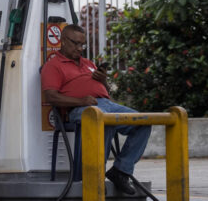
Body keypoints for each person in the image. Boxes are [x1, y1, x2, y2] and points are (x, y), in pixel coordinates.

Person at [41, 24, 151, 195]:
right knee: (102, 119)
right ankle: (94, 177)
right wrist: (80, 101)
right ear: (63, 41)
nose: (79, 48)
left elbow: (105, 93)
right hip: (78, 109)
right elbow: (51, 97)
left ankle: (121, 171)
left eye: (82, 45)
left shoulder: (88, 63)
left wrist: (103, 81)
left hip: (104, 104)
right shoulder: (53, 65)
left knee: (143, 121)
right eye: (75, 43)